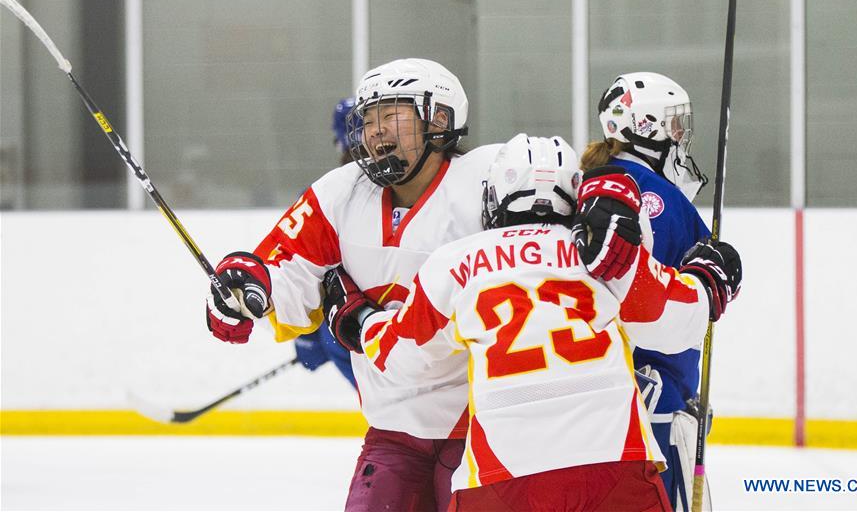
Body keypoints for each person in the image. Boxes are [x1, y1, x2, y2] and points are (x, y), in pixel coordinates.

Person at [328, 133, 729, 511]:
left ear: (494, 197)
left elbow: (403, 358)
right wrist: (709, 277)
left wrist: (359, 320)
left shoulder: (455, 262)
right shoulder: (604, 256)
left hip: (501, 480)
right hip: (614, 467)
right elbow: (678, 321)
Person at [204, 58, 501, 511]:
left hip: (490, 431)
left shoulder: (490, 179)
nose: (376, 131)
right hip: (394, 434)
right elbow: (285, 280)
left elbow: (560, 189)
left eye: (391, 115)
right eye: (368, 119)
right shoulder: (338, 193)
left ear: (439, 120)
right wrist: (247, 293)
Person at [577, 72, 743, 510]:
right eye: (673, 124)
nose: (680, 135)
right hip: (653, 406)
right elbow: (668, 304)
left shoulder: (597, 180)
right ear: (643, 126)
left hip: (606, 406)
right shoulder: (654, 195)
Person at [290, 98, 357, 387]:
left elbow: (305, 273)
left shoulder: (325, 195)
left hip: (350, 327)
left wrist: (310, 336)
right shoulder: (414, 186)